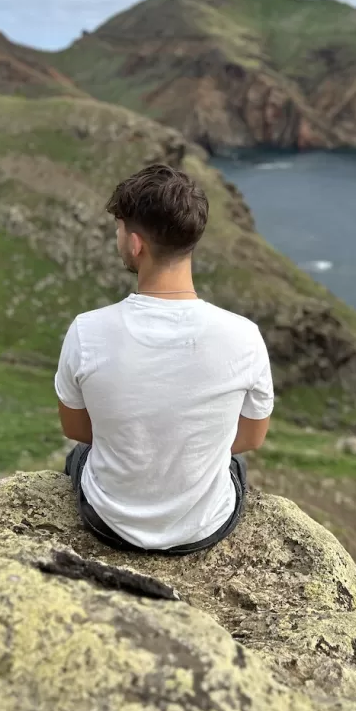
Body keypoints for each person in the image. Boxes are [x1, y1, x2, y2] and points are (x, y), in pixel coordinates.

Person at [54, 162, 274, 554]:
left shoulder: (87, 331)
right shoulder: (245, 335)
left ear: (136, 244)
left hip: (107, 524)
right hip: (205, 527)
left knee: (79, 456)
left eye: (119, 229)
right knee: (234, 466)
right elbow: (251, 438)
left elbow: (79, 430)